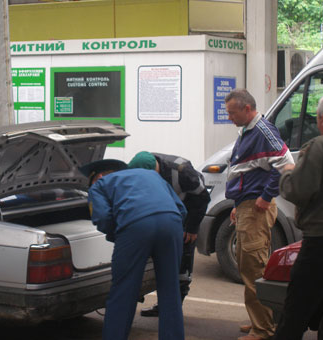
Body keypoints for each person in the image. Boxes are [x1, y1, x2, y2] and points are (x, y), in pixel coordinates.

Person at [274, 91, 323, 340]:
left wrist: (288, 172)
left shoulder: (319, 147)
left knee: (295, 312)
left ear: (321, 119)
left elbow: (297, 191)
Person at [79, 159, 187, 340]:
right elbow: (181, 209)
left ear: (97, 177)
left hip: (135, 226)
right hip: (172, 223)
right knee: (170, 289)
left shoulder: (99, 185)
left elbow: (103, 217)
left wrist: (119, 235)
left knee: (124, 291)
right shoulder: (152, 175)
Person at [224, 89, 294, 340]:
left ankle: (263, 329)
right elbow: (247, 171)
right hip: (246, 206)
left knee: (255, 268)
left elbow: (286, 164)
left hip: (255, 208)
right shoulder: (247, 130)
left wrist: (266, 196)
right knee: (248, 266)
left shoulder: (263, 131)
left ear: (246, 109)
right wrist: (237, 205)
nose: (229, 116)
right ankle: (258, 320)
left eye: (232, 112)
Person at [127, 151, 210, 317]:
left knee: (181, 265)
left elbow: (202, 198)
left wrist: (192, 228)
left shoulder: (182, 172)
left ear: (155, 171)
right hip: (161, 215)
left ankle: (172, 309)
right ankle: (163, 304)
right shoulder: (140, 165)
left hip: (185, 216)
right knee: (159, 263)